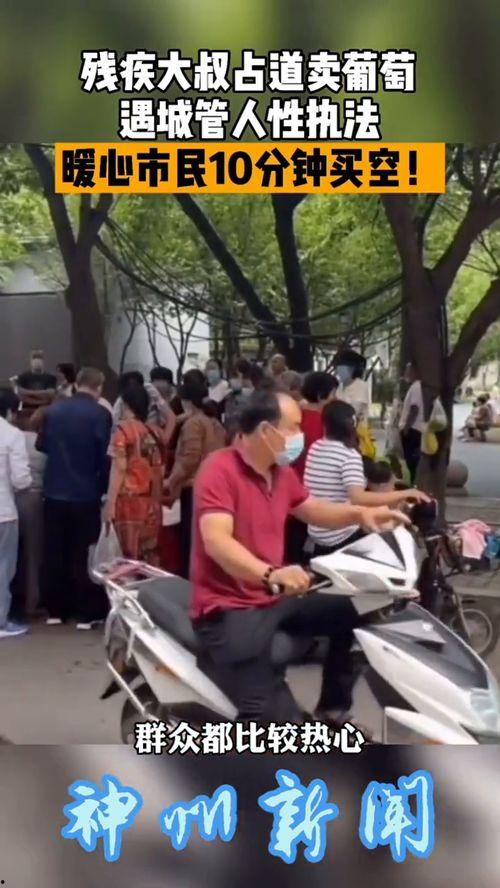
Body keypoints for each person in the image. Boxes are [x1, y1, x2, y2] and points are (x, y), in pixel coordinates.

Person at [190, 389, 410, 723]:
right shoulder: (219, 469)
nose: (301, 436)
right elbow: (217, 540)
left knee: (360, 607)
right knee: (272, 717)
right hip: (229, 609)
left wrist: (361, 515)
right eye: (294, 427)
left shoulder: (280, 472)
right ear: (266, 431)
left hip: (274, 596)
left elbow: (312, 508)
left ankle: (333, 707)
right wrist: (270, 573)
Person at [37, 368, 111, 629]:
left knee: (55, 550)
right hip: (86, 493)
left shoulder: (54, 411)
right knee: (84, 552)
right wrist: (104, 489)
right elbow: (105, 455)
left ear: (76, 384)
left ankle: (56, 609)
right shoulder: (100, 415)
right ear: (99, 387)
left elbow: (42, 445)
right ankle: (86, 612)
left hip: (54, 490)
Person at [304, 401, 429, 557]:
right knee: (392, 522)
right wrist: (405, 493)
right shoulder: (349, 455)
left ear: (324, 424)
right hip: (340, 534)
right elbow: (358, 498)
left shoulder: (315, 447)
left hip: (316, 529)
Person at [165, 378, 226, 578]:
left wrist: (171, 481)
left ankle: (189, 580)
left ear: (187, 401)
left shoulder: (193, 423)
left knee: (190, 539)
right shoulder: (215, 422)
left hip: (193, 486)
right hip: (214, 485)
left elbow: (189, 458)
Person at [104, 383, 164, 564]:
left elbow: (119, 467)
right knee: (148, 555)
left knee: (127, 558)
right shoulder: (155, 432)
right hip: (152, 503)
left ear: (125, 404)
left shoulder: (123, 430)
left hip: (128, 503)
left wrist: (110, 503)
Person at [10, 404, 47, 620]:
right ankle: (32, 601)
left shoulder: (15, 439)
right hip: (35, 499)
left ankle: (10, 600)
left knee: (10, 553)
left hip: (11, 497)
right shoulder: (42, 444)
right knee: (34, 554)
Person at [0, 388, 32, 638]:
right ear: (11, 412)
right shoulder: (13, 435)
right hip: (4, 512)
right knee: (3, 567)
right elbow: (21, 480)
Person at [398, 362, 425, 483]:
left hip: (413, 429)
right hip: (414, 429)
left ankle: (415, 482)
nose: (406, 373)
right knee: (412, 460)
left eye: (408, 370)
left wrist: (406, 428)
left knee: (412, 460)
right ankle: (414, 481)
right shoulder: (416, 386)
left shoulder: (417, 387)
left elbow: (415, 408)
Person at [14, 350, 57, 421]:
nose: (37, 363)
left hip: (45, 411)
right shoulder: (23, 377)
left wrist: (29, 394)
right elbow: (21, 393)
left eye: (39, 360)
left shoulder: (51, 378)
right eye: (35, 360)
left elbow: (51, 393)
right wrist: (43, 394)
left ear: (43, 362)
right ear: (31, 362)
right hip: (27, 410)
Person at [334, 349, 370, 422]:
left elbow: (355, 410)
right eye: (337, 367)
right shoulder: (338, 386)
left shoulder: (361, 386)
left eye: (342, 367)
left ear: (352, 369)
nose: (338, 370)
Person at [224, 358, 254, 439]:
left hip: (239, 434)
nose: (230, 380)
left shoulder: (243, 394)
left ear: (239, 373)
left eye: (233, 376)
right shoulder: (232, 393)